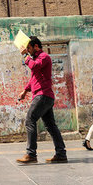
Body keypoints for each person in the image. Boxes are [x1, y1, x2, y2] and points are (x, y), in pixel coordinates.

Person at [16, 36, 67, 164]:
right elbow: (34, 78)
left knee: (30, 120)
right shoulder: (36, 58)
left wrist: (25, 57)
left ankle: (31, 154)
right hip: (44, 96)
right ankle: (61, 154)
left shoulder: (44, 57)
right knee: (50, 126)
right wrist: (25, 91)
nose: (27, 50)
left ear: (36, 46)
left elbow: (34, 67)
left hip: (42, 96)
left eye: (29, 48)